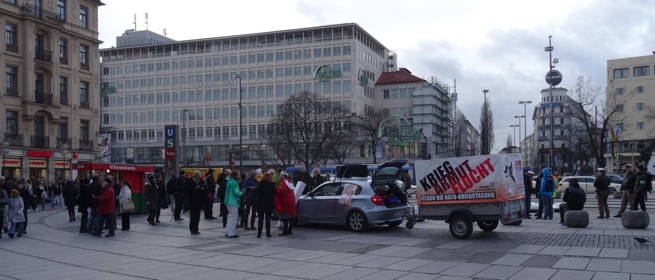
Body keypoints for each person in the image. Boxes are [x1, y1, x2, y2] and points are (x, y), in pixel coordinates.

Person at [275, 171, 296, 236]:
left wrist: (275, 189)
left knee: (285, 217)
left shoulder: (283, 182)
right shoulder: (290, 181)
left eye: (281, 176)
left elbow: (280, 191)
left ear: (283, 176)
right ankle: (290, 230)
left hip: (285, 201)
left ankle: (285, 231)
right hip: (291, 200)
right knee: (290, 217)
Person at [256, 172, 276, 238]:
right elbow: (274, 194)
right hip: (269, 204)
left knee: (260, 219)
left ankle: (259, 234)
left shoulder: (260, 183)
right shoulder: (272, 184)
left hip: (261, 204)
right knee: (268, 219)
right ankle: (268, 233)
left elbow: (258, 194)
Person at [225, 170, 243, 238]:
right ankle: (231, 233)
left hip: (228, 201)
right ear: (236, 175)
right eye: (238, 174)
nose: (239, 175)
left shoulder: (230, 181)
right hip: (233, 201)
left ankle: (228, 231)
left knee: (230, 217)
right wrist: (242, 193)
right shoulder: (234, 183)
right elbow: (236, 193)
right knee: (234, 218)